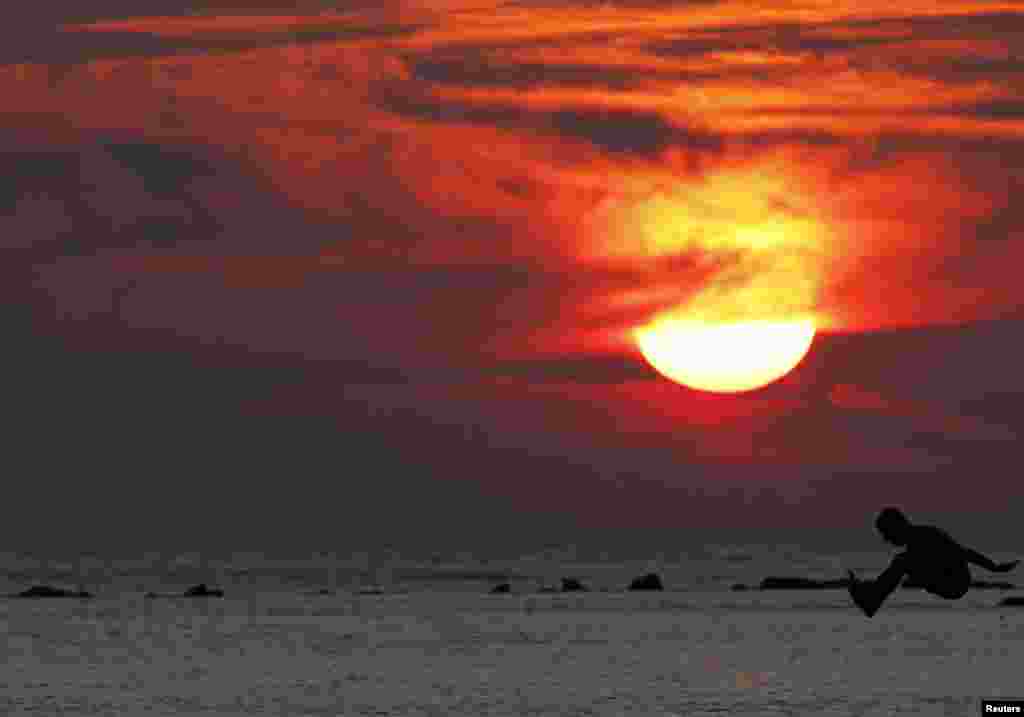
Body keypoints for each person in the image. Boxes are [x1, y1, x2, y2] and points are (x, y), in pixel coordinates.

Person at [847, 507, 1019, 617]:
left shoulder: (928, 536)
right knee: (901, 562)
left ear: (897, 527)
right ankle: (870, 595)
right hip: (941, 580)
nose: (887, 541)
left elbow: (965, 552)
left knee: (901, 561)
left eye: (887, 535)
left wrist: (994, 567)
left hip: (955, 583)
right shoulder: (915, 543)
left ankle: (871, 601)